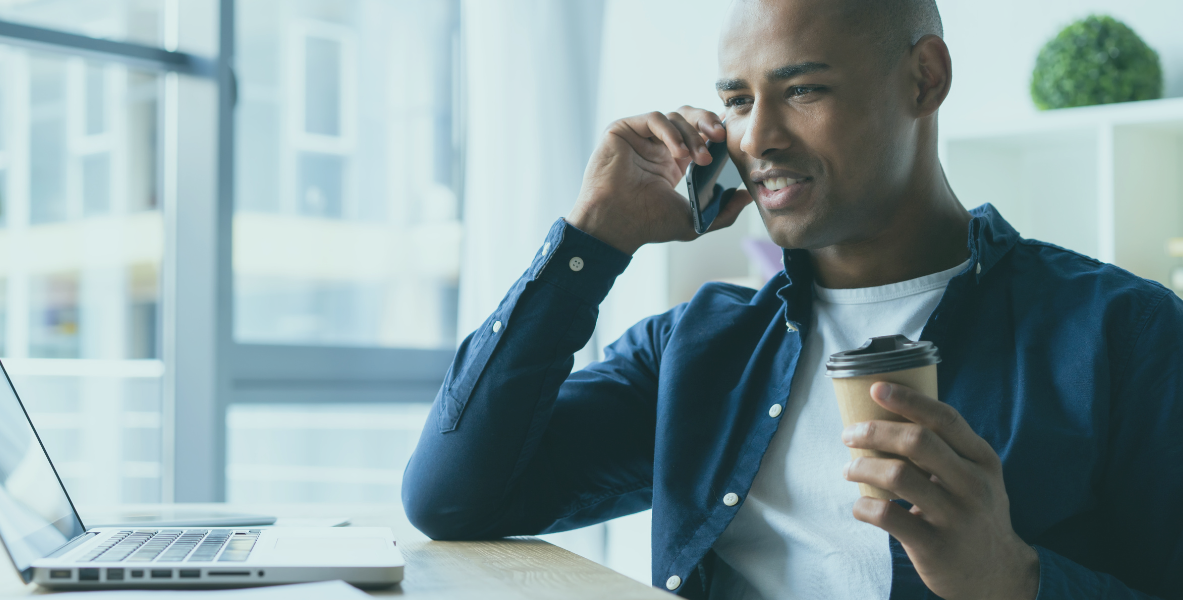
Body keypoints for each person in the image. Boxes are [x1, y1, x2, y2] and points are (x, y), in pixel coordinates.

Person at [401, 0, 1183, 597]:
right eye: (737, 101)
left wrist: (1015, 581)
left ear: (924, 78)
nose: (758, 138)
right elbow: (452, 500)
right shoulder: (700, 349)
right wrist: (590, 242)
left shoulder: (1125, 333)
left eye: (804, 89)